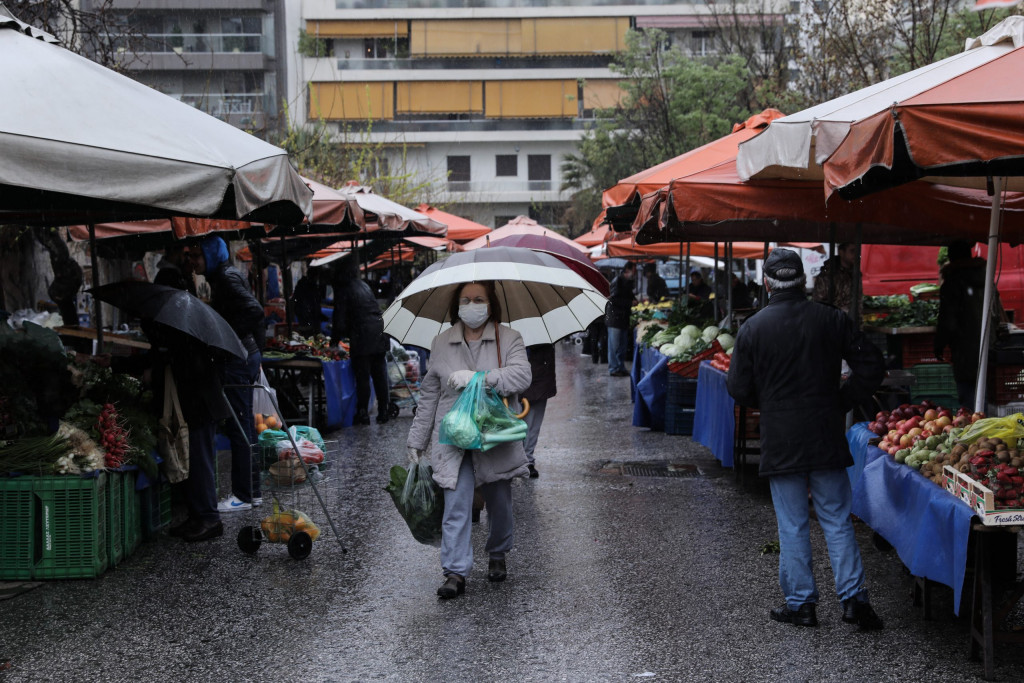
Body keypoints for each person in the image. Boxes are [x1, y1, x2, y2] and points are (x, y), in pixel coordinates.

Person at [727, 248, 885, 631]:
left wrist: (769, 403)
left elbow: (737, 387)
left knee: (793, 524)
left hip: (781, 440)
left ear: (766, 283)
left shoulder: (752, 328)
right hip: (825, 434)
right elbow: (872, 365)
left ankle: (802, 607)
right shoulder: (832, 320)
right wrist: (843, 400)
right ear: (804, 281)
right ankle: (855, 603)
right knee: (836, 520)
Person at [405, 281, 532, 598]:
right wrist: (417, 439)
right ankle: (455, 572)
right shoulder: (441, 342)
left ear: (490, 304)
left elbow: (522, 376)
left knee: (499, 502)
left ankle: (498, 553)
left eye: (478, 299)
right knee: (456, 504)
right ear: (456, 305)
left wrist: (479, 379)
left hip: (494, 434)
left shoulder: (509, 338)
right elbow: (430, 395)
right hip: (453, 436)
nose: (471, 305)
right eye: (465, 300)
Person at [190, 236, 264, 513]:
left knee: (240, 426)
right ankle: (252, 492)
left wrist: (230, 337)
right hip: (243, 355)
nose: (193, 261)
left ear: (211, 254)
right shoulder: (225, 275)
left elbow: (254, 311)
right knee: (243, 424)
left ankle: (244, 495)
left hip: (237, 358)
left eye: (197, 255)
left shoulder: (226, 278)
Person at [935, 240, 1000, 409]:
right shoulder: (986, 278)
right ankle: (983, 422)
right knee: (985, 388)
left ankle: (975, 424)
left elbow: (947, 319)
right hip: (988, 342)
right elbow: (997, 312)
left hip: (965, 346)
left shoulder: (953, 282)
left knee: (969, 393)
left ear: (951, 256)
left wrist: (940, 344)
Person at [331, 258, 391, 425]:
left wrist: (334, 341)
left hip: (362, 335)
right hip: (379, 331)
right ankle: (383, 411)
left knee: (363, 376)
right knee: (379, 374)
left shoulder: (344, 289)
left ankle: (363, 412)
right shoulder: (363, 285)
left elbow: (340, 320)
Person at [521, 343, 556, 479]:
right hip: (519, 368)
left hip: (541, 368)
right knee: (515, 421)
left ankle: (527, 459)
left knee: (533, 421)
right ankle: (519, 459)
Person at [605, 262, 636, 377]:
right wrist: (630, 303)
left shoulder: (627, 282)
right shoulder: (617, 281)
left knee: (622, 346)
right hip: (615, 319)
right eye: (633, 270)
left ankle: (620, 367)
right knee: (614, 346)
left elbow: (628, 296)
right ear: (627, 270)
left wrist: (634, 300)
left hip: (622, 319)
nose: (634, 273)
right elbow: (614, 299)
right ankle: (614, 368)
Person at [812, 243, 860, 317]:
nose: (856, 255)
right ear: (841, 252)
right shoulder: (828, 275)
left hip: (850, 324)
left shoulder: (856, 274)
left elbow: (858, 303)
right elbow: (819, 304)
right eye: (852, 251)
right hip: (832, 323)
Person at [291, 269, 325, 336]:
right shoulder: (309, 286)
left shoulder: (303, 285)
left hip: (306, 319)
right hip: (308, 320)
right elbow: (313, 306)